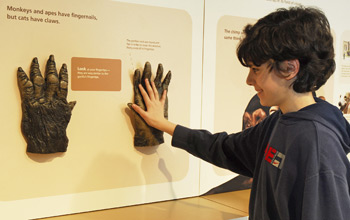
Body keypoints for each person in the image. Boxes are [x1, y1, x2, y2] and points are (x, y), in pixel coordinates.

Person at [129, 6, 350, 220]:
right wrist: (163, 124)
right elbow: (225, 148)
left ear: (290, 68)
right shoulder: (279, 122)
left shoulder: (318, 143)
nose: (249, 80)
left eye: (256, 70)